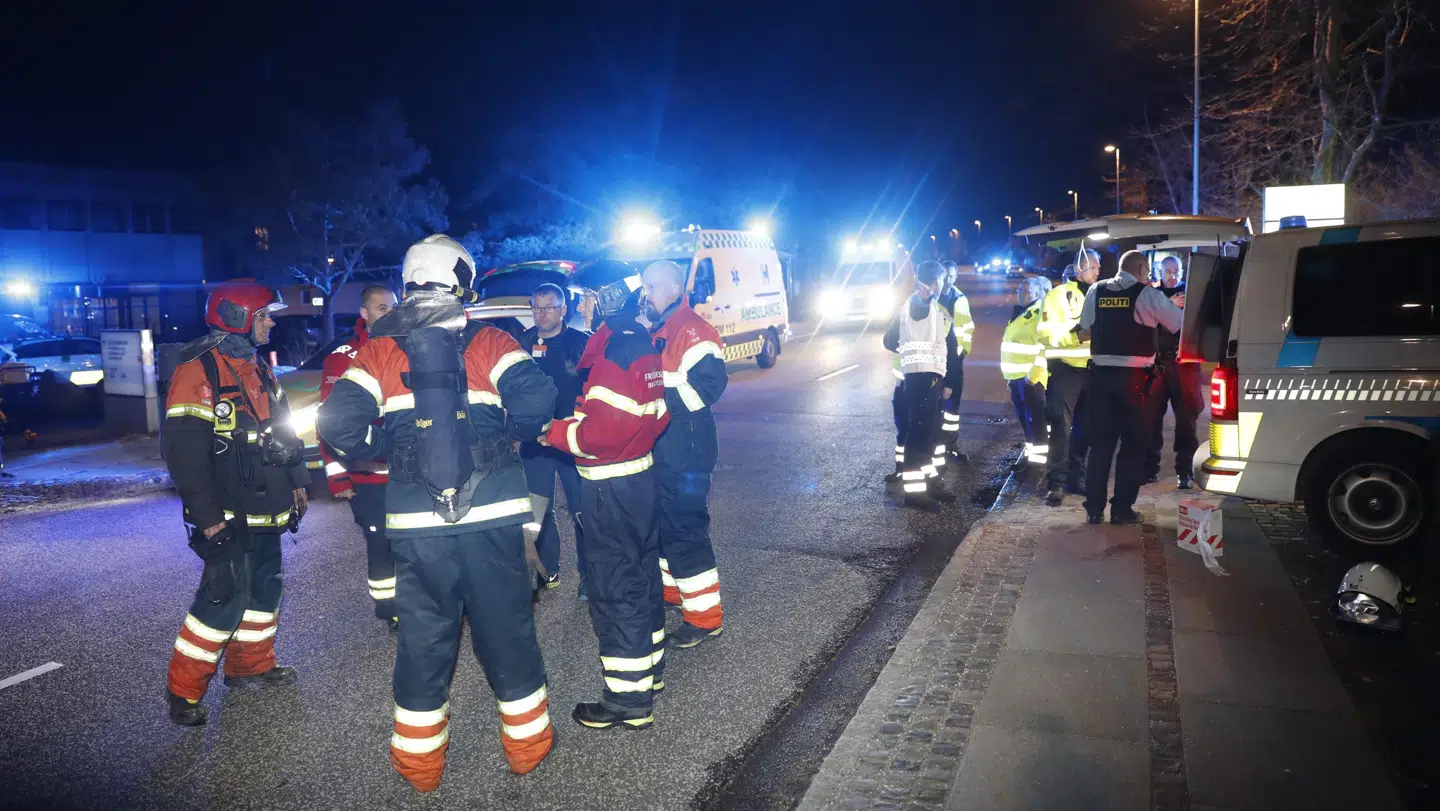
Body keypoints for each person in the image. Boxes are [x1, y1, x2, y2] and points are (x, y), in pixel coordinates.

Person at [318, 234, 558, 790]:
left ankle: (420, 768)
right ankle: (527, 749)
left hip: (416, 523)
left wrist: (394, 452)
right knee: (507, 632)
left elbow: (335, 426)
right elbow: (537, 402)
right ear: (462, 283)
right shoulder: (492, 341)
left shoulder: (377, 351)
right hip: (494, 515)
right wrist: (499, 438)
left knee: (424, 641)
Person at [161, 280, 308, 727]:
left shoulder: (257, 365)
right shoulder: (198, 371)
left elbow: (283, 427)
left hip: (268, 504)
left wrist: (298, 481)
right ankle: (183, 691)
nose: (271, 322)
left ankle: (251, 667)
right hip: (228, 513)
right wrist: (206, 519)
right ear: (238, 317)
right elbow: (183, 454)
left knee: (265, 591)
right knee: (222, 598)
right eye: (264, 315)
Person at [542, 260, 669, 730]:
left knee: (615, 587)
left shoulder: (616, 352)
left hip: (610, 486)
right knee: (640, 576)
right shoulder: (639, 343)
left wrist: (551, 432)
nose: (582, 305)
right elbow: (654, 416)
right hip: (638, 481)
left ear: (609, 297)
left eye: (588, 296)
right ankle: (649, 670)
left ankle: (627, 699)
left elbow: (601, 433)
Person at [643, 259, 729, 649]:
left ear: (675, 289)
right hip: (667, 450)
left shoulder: (693, 330)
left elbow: (709, 386)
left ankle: (706, 617)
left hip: (688, 453)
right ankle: (676, 594)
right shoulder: (661, 328)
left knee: (685, 529)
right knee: (665, 527)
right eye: (645, 286)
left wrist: (657, 404)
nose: (647, 293)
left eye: (653, 286)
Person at [1079, 250, 1185, 524]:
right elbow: (1177, 324)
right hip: (1135, 382)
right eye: (1147, 272)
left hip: (1100, 379)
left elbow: (1085, 327)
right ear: (1140, 269)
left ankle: (1093, 509)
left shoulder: (1096, 290)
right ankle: (1121, 509)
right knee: (1133, 444)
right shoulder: (1147, 294)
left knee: (1101, 445)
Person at [319, 284, 398, 629]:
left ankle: (418, 603)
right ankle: (390, 608)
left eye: (393, 307)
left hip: (406, 471)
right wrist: (338, 477)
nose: (390, 314)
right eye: (382, 308)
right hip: (367, 476)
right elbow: (328, 422)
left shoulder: (403, 347)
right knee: (380, 542)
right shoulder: (343, 357)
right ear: (364, 313)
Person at [517, 282, 591, 596]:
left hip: (573, 441)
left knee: (582, 509)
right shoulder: (521, 344)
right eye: (536, 306)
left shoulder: (580, 344)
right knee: (537, 512)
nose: (541, 313)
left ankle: (590, 575)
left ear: (563, 310)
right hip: (535, 443)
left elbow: (594, 392)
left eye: (548, 307)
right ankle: (548, 572)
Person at [883, 260, 962, 510]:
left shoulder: (907, 307)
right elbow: (951, 351)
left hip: (916, 381)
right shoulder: (934, 310)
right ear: (935, 282)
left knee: (927, 436)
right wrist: (950, 381)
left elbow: (889, 341)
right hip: (926, 382)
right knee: (919, 438)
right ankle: (915, 494)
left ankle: (930, 483)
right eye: (941, 281)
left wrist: (908, 353)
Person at [1038, 249, 1100, 506]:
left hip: (1093, 370)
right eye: (1094, 267)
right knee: (1061, 429)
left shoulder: (1100, 293)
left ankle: (1078, 479)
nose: (1098, 272)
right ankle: (1056, 484)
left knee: (1085, 429)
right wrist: (1076, 336)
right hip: (1065, 371)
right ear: (1079, 269)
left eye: (1099, 267)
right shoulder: (1058, 295)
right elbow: (1044, 332)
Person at [1144, 256, 1202, 489]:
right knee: (1150, 418)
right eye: (1168, 271)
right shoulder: (1151, 295)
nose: (1173, 275)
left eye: (1176, 271)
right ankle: (1150, 468)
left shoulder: (1191, 294)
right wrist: (1169, 304)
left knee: (1187, 420)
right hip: (1157, 364)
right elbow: (1145, 318)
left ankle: (1185, 471)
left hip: (1184, 364)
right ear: (1159, 271)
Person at [1001, 276, 1051, 472]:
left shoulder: (1039, 313)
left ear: (1037, 294)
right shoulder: (1021, 312)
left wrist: (1032, 377)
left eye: (1027, 291)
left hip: (1031, 379)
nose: (1021, 294)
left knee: (1036, 422)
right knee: (1026, 421)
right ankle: (1030, 458)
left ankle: (1038, 465)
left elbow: (1043, 347)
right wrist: (1010, 379)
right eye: (1020, 290)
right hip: (1017, 378)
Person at [936, 261, 974, 463]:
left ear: (956, 276)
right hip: (935, 359)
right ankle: (935, 444)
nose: (948, 280)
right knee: (935, 405)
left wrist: (963, 349)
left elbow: (967, 326)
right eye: (945, 276)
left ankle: (950, 444)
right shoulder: (933, 298)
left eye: (952, 276)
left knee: (952, 408)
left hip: (955, 359)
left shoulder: (960, 298)